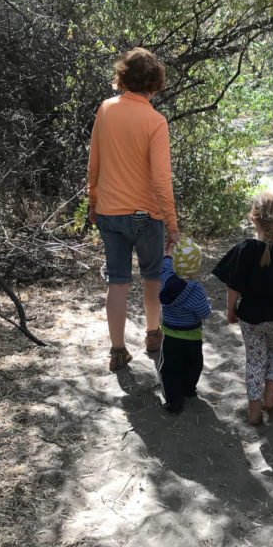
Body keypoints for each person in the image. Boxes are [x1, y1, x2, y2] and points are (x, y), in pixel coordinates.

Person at [87, 47, 181, 371]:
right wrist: (171, 223)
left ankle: (117, 351)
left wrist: (93, 200)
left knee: (117, 281)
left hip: (110, 212)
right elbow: (161, 179)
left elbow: (94, 164)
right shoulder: (155, 121)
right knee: (152, 277)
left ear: (123, 77)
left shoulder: (105, 109)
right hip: (146, 216)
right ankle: (153, 335)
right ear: (154, 83)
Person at [212, 193, 273, 425]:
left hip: (250, 318)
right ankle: (269, 400)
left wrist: (230, 310)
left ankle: (254, 412)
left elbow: (233, 286)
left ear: (253, 219)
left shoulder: (244, 248)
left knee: (255, 361)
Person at [157, 236, 211, 413]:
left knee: (169, 369)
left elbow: (165, 266)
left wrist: (168, 253)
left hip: (171, 337)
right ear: (197, 266)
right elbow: (205, 313)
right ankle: (189, 389)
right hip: (192, 337)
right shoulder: (196, 290)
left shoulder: (166, 281)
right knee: (193, 365)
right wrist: (207, 303)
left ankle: (173, 400)